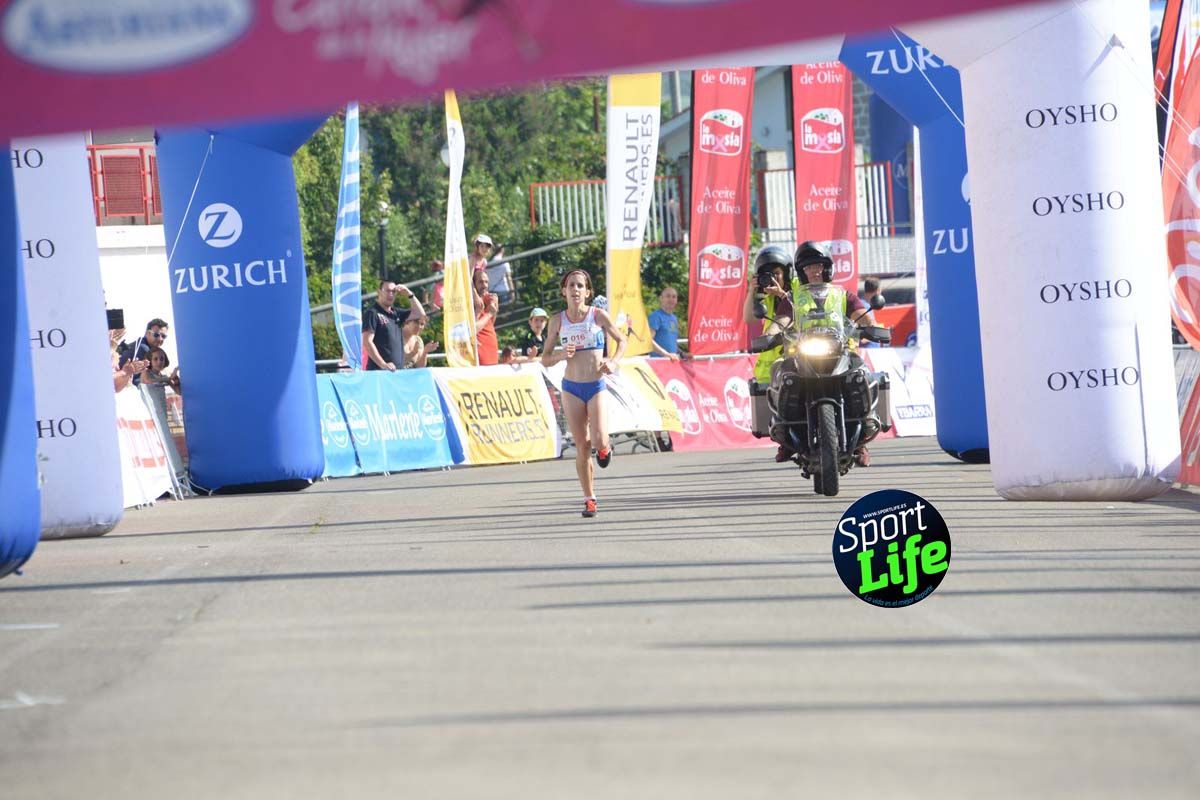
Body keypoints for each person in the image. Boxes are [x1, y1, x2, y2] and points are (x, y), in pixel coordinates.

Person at [744, 242, 878, 465]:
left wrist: (871, 327)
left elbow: (864, 316)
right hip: (805, 353)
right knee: (784, 377)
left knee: (861, 375)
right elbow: (782, 321)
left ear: (828, 268)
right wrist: (772, 334)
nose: (814, 271)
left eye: (818, 266)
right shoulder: (793, 298)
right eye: (808, 267)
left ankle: (862, 438)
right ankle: (786, 435)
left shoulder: (843, 295)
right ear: (801, 272)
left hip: (841, 351)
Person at [542, 269, 627, 518]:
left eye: (580, 286)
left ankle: (605, 449)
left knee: (599, 441)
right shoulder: (557, 321)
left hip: (596, 385)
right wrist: (560, 355)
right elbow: (545, 359)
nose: (575, 289)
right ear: (564, 291)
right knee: (582, 446)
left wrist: (612, 361)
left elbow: (622, 341)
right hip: (572, 388)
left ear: (587, 292)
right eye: (571, 285)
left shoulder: (598, 315)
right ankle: (589, 499)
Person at [364, 280, 424, 371]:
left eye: (394, 291)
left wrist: (409, 294)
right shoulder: (372, 313)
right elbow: (367, 341)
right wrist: (383, 364)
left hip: (396, 372)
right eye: (387, 291)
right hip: (379, 372)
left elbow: (420, 314)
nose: (391, 294)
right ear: (379, 292)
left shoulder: (396, 313)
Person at [648, 285, 683, 361]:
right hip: (658, 362)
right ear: (661, 298)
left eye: (674, 297)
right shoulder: (655, 316)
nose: (671, 299)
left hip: (671, 362)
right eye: (668, 296)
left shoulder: (674, 318)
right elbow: (648, 340)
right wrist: (666, 354)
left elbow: (671, 342)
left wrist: (682, 353)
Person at [472, 269, 500, 366]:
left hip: (491, 346)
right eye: (480, 282)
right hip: (479, 350)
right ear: (474, 285)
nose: (485, 285)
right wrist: (489, 313)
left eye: (486, 282)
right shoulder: (471, 303)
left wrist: (494, 307)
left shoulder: (488, 298)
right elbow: (472, 329)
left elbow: (490, 323)